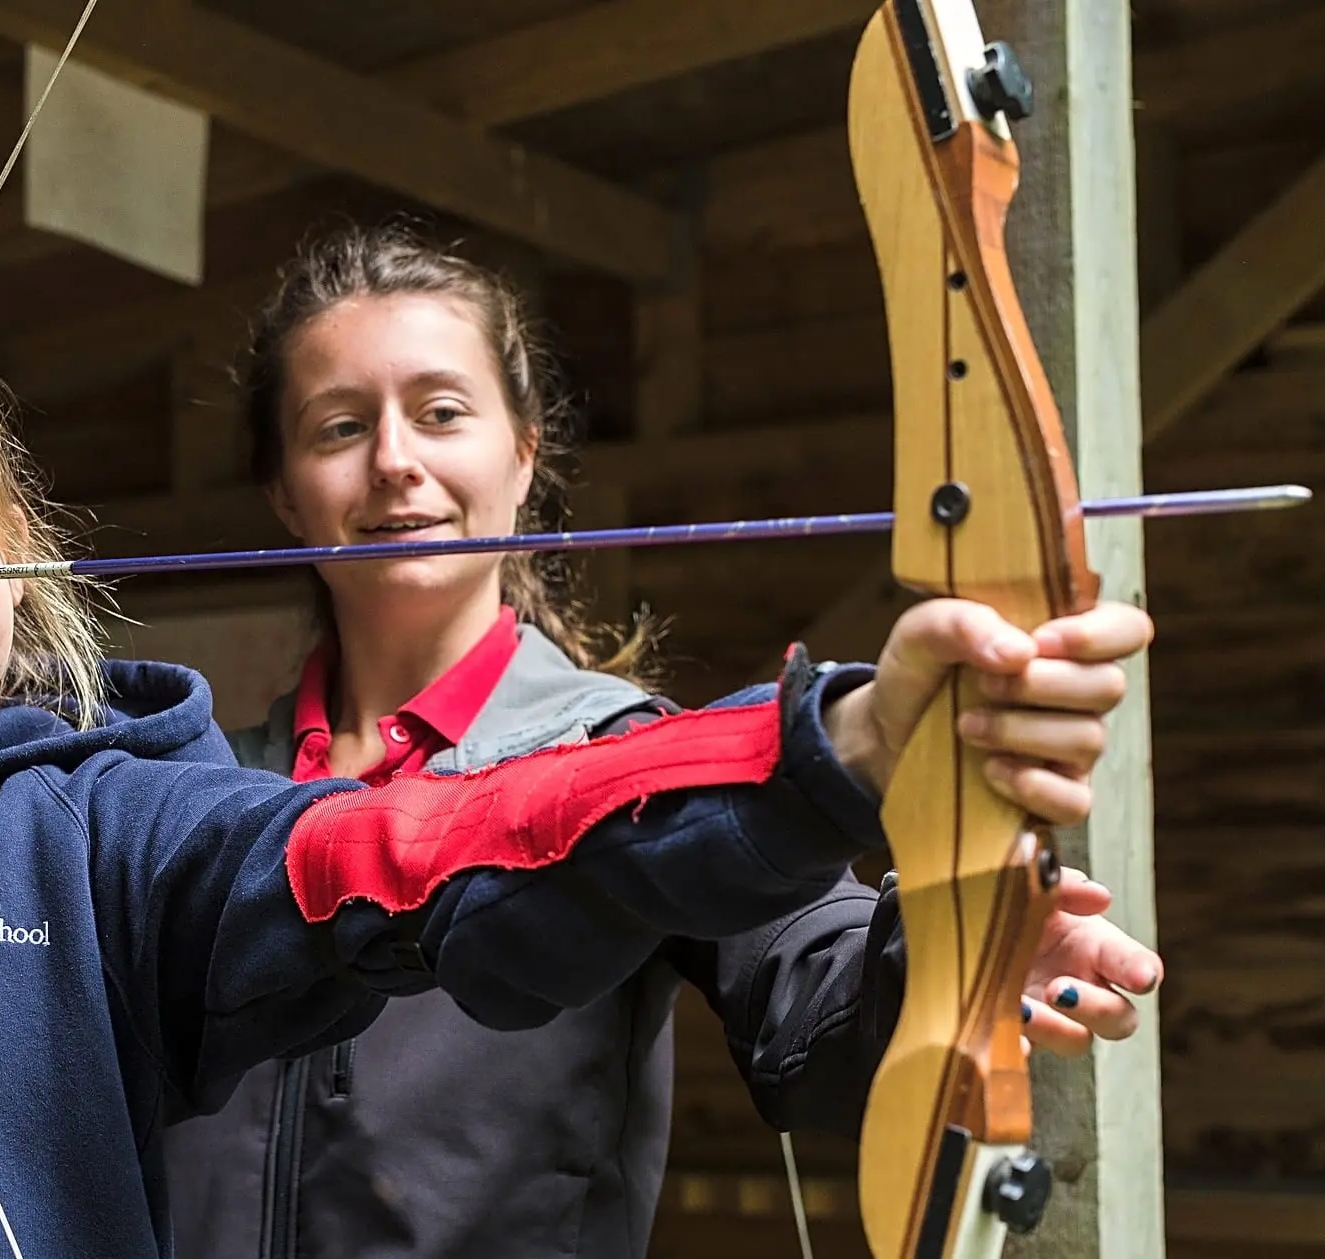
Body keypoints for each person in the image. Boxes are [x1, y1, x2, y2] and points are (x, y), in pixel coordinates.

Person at [161, 223, 1163, 1259]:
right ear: (283, 491)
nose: (393, 460)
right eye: (336, 427)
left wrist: (951, 957)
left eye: (440, 412)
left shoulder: (632, 761)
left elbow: (812, 1013)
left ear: (522, 452)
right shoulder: (196, 788)